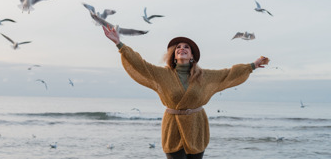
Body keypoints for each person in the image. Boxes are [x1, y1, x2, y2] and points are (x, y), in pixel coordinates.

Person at [102, 25, 269, 159]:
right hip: (172, 128)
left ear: (192, 56)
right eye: (178, 47)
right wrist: (119, 44)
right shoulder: (163, 75)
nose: (182, 48)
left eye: (186, 47)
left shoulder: (205, 76)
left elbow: (228, 74)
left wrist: (252, 65)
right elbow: (140, 65)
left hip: (197, 128)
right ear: (174, 55)